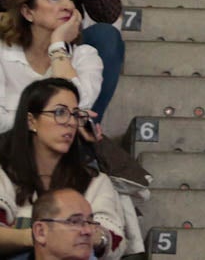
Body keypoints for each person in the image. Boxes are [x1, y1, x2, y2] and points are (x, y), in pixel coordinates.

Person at [0, 80, 126, 258]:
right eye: (60, 112)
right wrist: (47, 237)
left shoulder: (94, 180)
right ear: (31, 121)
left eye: (75, 115)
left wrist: (89, 237)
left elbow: (115, 241)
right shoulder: (3, 172)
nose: (70, 123)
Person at [0, 0, 101, 132]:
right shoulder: (2, 52)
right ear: (27, 12)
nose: (68, 6)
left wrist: (57, 44)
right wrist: (53, 119)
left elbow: (75, 109)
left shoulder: (86, 57)